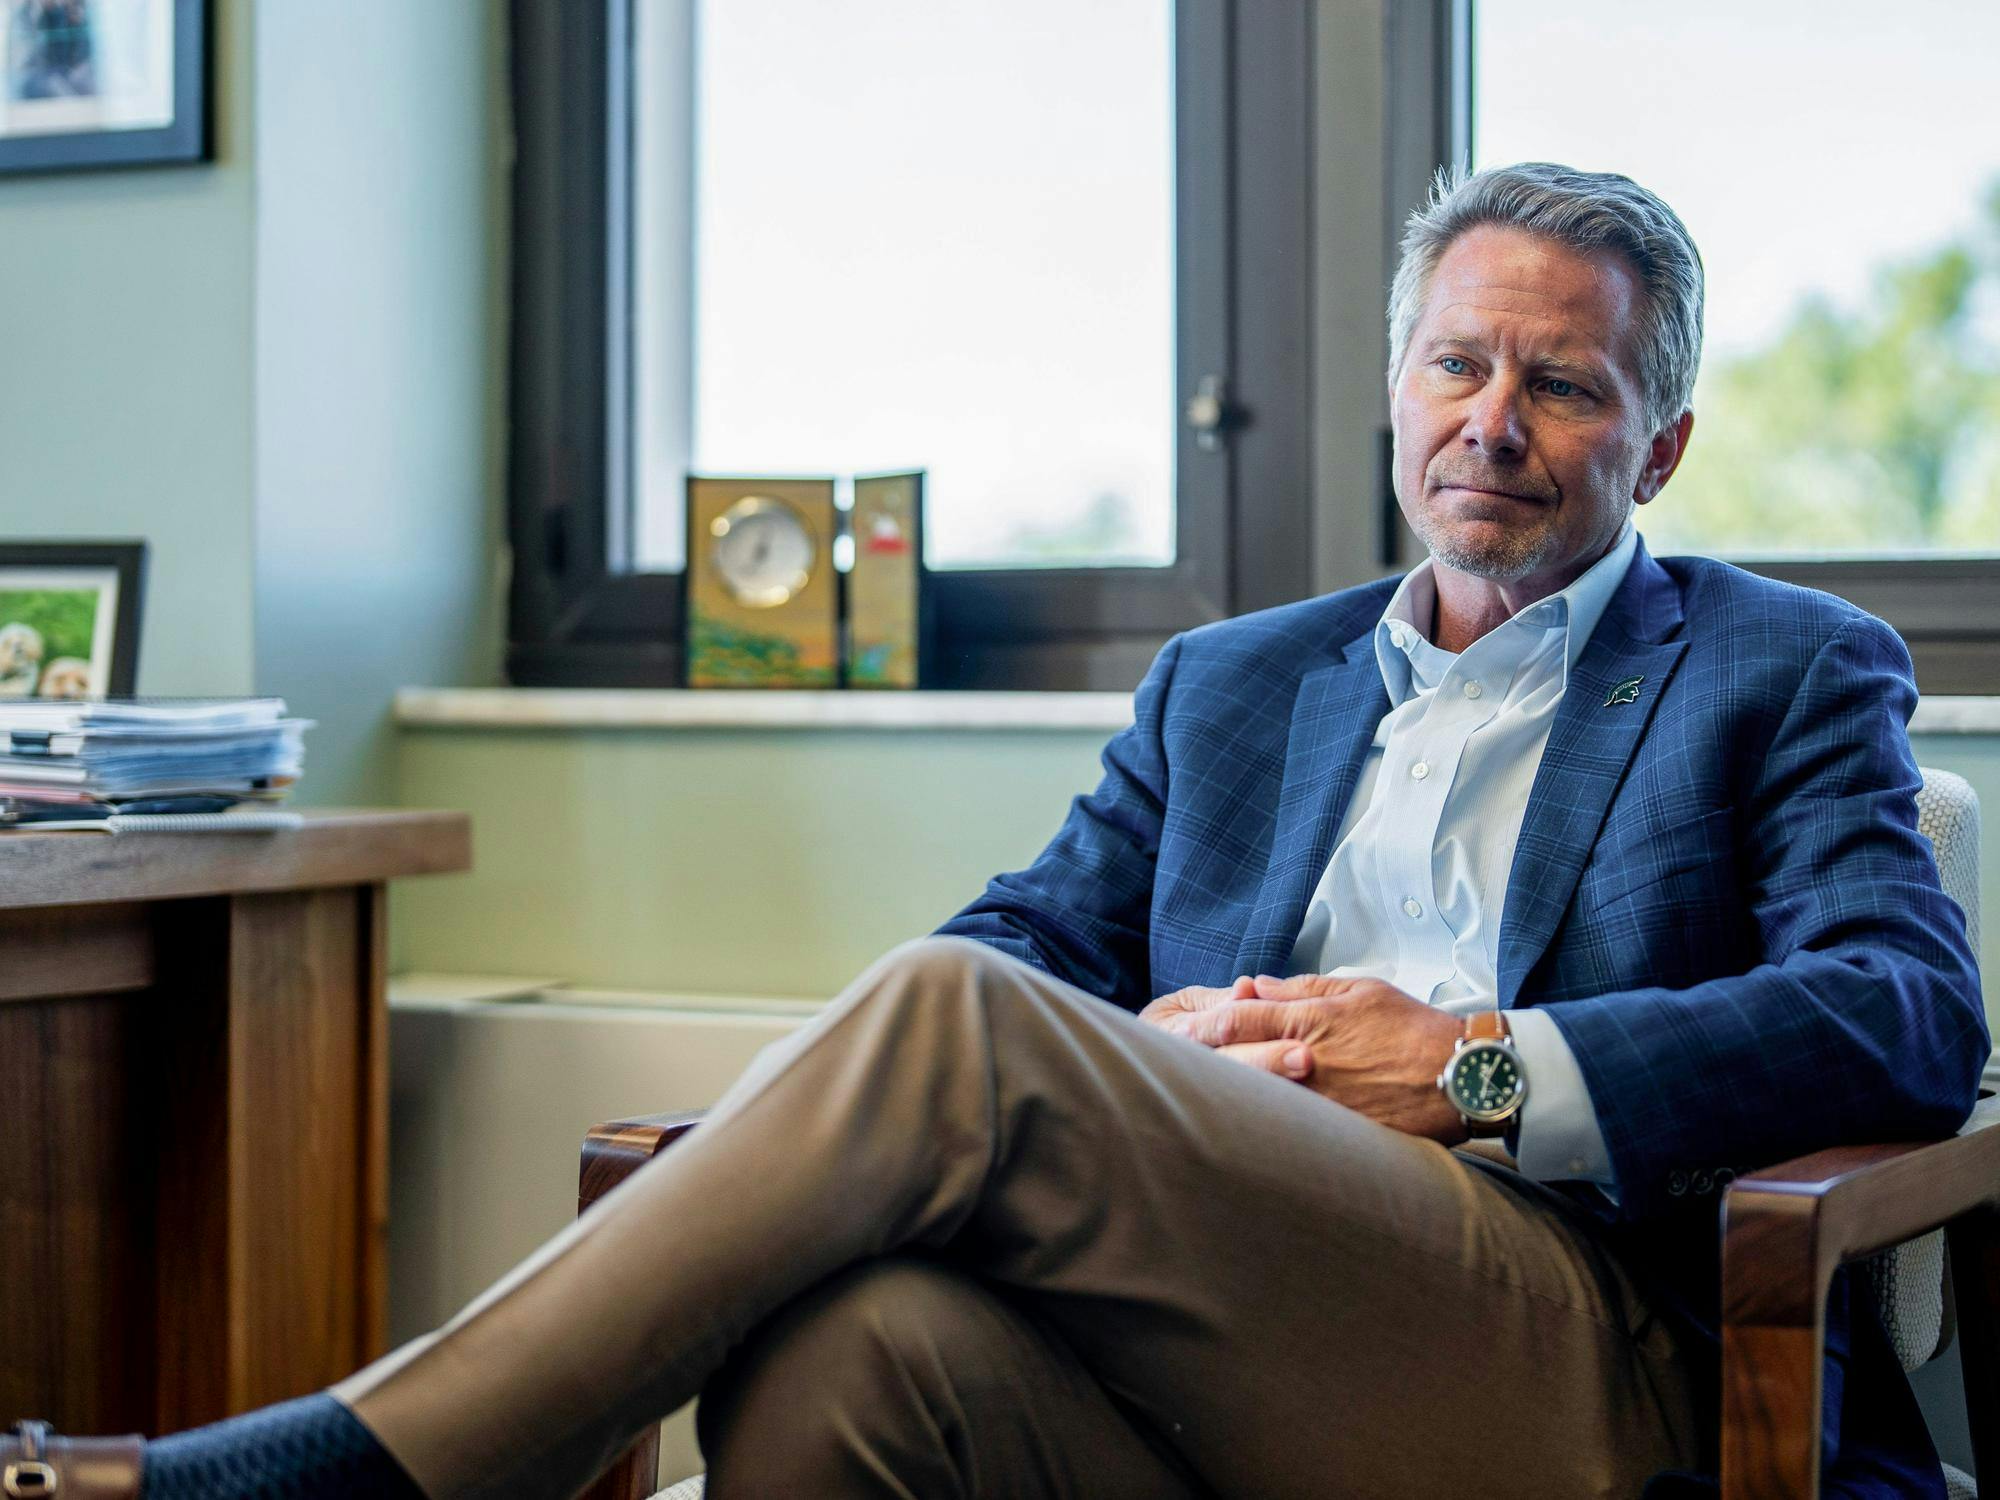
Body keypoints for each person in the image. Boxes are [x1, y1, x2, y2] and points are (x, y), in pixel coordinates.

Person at [6, 162, 1985, 1500]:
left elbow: (1904, 1011)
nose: (1493, 417)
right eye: (1458, 363)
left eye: (1562, 383)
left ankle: (351, 1471)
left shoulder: (1776, 664)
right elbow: (1031, 935)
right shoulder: (1237, 681)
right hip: (1228, 1304)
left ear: (1662, 441)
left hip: (1573, 1351)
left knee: (951, 1018)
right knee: (846, 1356)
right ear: (1395, 387)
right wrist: (1178, 1058)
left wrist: (1469, 1066)